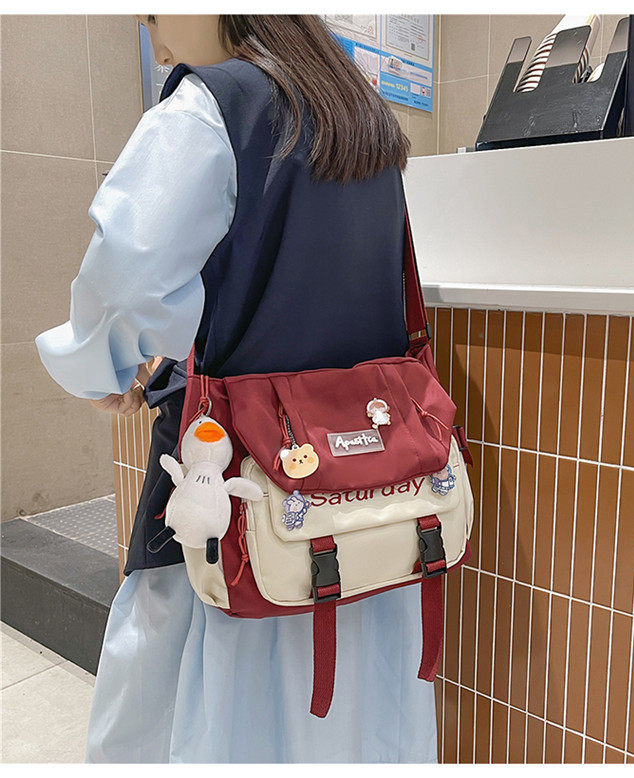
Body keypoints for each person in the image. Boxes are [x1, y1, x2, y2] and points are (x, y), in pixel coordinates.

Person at [35, 15, 438, 764]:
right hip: (370, 510)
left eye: (154, 11)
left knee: (197, 701)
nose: (151, 34)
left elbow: (124, 273)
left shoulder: (212, 107)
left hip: (238, 496)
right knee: (353, 717)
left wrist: (104, 367)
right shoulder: (361, 115)